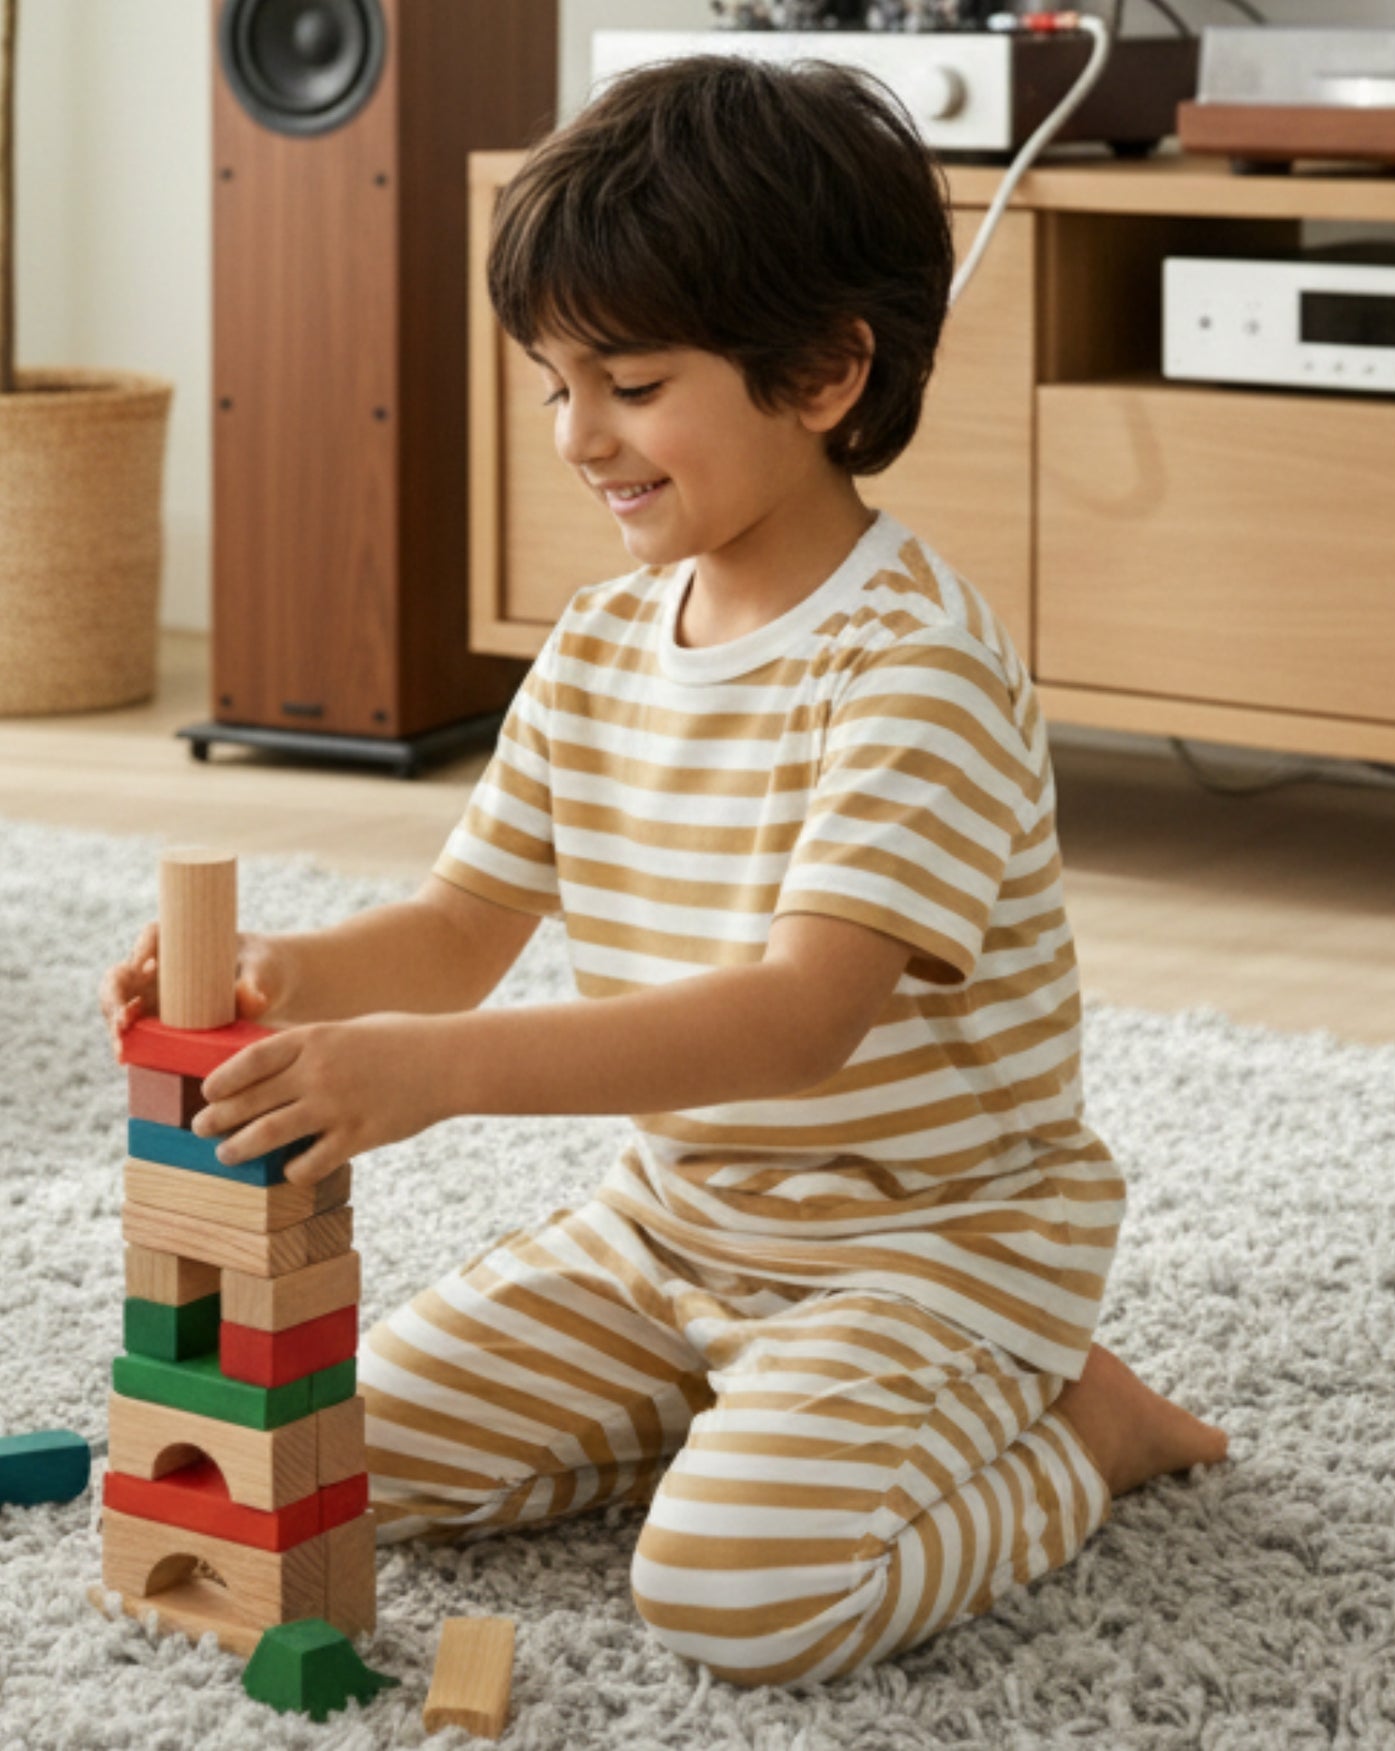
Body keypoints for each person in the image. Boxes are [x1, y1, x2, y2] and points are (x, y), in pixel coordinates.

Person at [100, 54, 1227, 1689]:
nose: (576, 437)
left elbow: (793, 1022)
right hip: (674, 1232)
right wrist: (295, 970)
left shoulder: (914, 671)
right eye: (554, 384)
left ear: (829, 370)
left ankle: (1079, 1434)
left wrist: (437, 1077)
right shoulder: (604, 636)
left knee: (738, 1605)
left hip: (925, 1249)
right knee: (332, 1457)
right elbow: (466, 926)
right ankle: (729, 1410)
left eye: (628, 383)